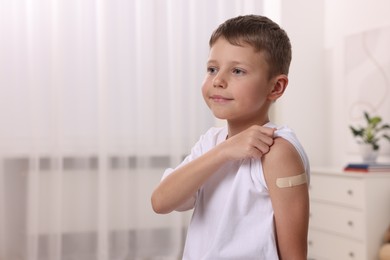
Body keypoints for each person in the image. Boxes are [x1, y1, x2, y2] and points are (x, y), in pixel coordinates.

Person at [151, 14, 310, 260]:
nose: (218, 80)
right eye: (212, 69)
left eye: (237, 71)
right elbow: (160, 202)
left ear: (276, 87)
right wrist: (224, 151)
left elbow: (294, 255)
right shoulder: (211, 143)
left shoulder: (277, 151)